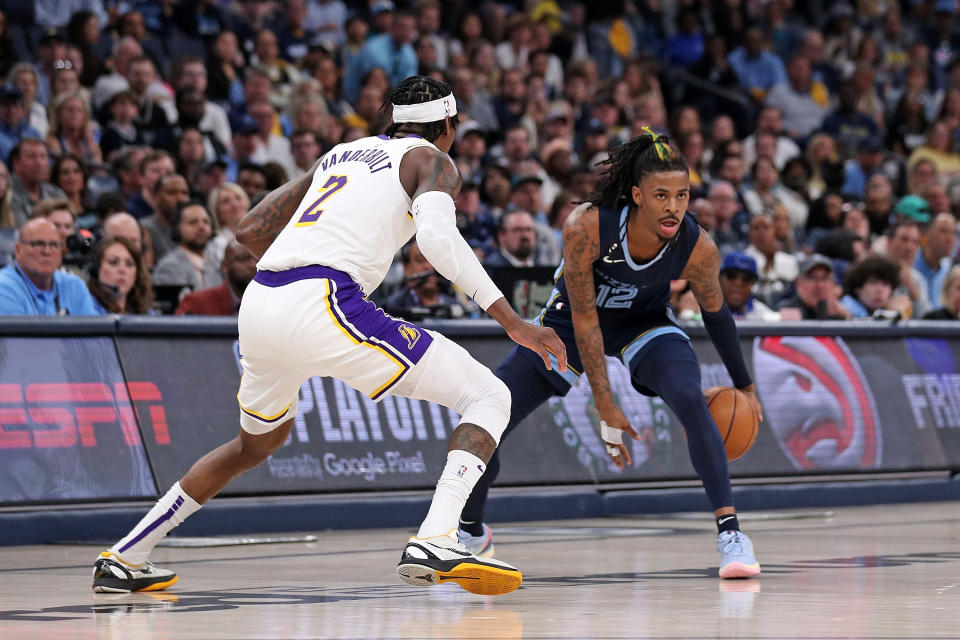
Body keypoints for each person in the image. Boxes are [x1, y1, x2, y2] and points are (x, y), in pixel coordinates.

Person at [92, 75, 566, 596]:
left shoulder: (341, 153)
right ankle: (437, 537)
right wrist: (513, 321)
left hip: (262, 298)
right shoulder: (432, 160)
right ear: (449, 125)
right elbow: (435, 237)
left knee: (257, 443)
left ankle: (127, 555)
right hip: (324, 298)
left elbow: (250, 229)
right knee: (488, 393)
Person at [457, 130, 763, 579]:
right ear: (637, 195)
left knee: (690, 396)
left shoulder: (698, 246)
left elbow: (718, 318)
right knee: (487, 418)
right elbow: (585, 322)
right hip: (569, 324)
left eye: (682, 195)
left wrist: (746, 385)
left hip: (644, 321)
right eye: (661, 195)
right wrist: (605, 404)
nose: (674, 207)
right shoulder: (587, 226)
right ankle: (470, 531)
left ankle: (731, 535)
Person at [0, 218, 99, 316]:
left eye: (54, 245)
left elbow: (93, 331)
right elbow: (19, 332)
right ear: (18, 250)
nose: (47, 251)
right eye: (38, 244)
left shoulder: (75, 286)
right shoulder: (3, 287)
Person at [384, 239, 465, 320]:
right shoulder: (391, 309)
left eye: (434, 260)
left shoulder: (457, 307)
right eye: (420, 260)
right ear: (406, 269)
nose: (429, 266)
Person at [176, 240, 256, 316]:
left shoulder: (267, 302)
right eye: (242, 259)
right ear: (224, 266)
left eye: (258, 259)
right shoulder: (196, 304)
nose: (253, 265)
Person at [87, 236, 155, 314]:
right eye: (113, 262)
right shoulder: (86, 307)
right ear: (95, 270)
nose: (122, 270)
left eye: (129, 264)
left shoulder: (146, 312)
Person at [775, 254, 851, 319]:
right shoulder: (785, 310)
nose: (820, 285)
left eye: (825, 278)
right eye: (812, 278)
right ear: (798, 283)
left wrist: (846, 318)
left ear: (834, 284)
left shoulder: (839, 313)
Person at [719, 252, 780, 321]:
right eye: (731, 275)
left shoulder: (765, 316)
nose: (738, 283)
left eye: (747, 278)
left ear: (753, 283)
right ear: (719, 278)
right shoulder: (705, 311)